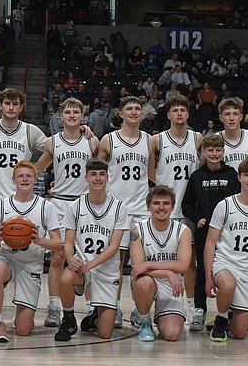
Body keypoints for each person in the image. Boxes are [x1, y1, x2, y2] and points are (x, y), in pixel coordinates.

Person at [0, 88, 47, 323]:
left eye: (15, 104)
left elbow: (53, 147)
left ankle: (25, 296)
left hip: (23, 198)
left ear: (21, 107)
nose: (11, 107)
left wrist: (36, 170)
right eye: (7, 103)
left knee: (27, 248)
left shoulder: (30, 130)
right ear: (0, 106)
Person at [35, 98, 99, 327]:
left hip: (85, 205)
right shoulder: (52, 143)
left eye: (76, 112)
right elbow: (38, 169)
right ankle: (53, 306)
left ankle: (93, 308)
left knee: (91, 257)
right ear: (60, 117)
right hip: (60, 203)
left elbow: (101, 172)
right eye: (68, 112)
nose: (72, 115)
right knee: (58, 257)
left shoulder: (92, 142)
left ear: (82, 116)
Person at [0, 161, 61, 342]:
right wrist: (2, 235)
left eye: (28, 176)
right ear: (13, 180)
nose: (24, 179)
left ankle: (21, 317)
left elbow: (58, 244)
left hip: (31, 264)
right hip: (7, 259)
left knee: (24, 330)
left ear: (35, 179)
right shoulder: (1, 206)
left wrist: (39, 240)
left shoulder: (46, 206)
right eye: (20, 176)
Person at [54, 158, 128, 342]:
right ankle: (69, 319)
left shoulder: (119, 208)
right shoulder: (75, 206)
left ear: (108, 177)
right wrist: (70, 259)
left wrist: (90, 265)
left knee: (105, 334)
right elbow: (68, 243)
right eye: (93, 174)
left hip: (106, 271)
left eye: (102, 174)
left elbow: (114, 247)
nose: (98, 178)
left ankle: (95, 317)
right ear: (86, 177)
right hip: (82, 268)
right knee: (66, 276)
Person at [204, 158, 248, 341]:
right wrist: (207, 277)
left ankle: (226, 312)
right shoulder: (225, 205)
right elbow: (210, 242)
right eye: (246, 175)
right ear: (239, 177)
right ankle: (221, 319)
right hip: (224, 263)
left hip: (247, 272)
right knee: (227, 285)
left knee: (240, 333)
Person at [97, 95, 151, 328]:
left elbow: (152, 174)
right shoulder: (108, 140)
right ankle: (115, 307)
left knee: (141, 264)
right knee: (115, 264)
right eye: (129, 108)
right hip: (116, 209)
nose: (134, 112)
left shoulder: (151, 141)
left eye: (138, 108)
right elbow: (96, 172)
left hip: (141, 209)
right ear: (120, 113)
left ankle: (140, 311)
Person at [148, 95, 201, 327]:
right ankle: (150, 307)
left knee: (190, 264)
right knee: (156, 258)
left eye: (183, 109)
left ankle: (189, 307)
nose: (179, 113)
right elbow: (151, 172)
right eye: (175, 110)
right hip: (165, 209)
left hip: (187, 210)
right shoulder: (157, 140)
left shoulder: (197, 138)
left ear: (188, 114)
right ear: (168, 115)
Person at [180, 134, 240, 331]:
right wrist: (198, 218)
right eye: (210, 150)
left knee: (230, 271)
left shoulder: (232, 175)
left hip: (228, 233)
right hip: (205, 233)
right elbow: (186, 205)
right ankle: (199, 309)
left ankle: (231, 310)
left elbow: (239, 202)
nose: (214, 154)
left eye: (217, 150)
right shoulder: (197, 176)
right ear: (203, 153)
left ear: (223, 152)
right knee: (202, 273)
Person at [129, 185, 192, 342]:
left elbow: (183, 265)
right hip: (149, 279)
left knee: (172, 335)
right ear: (148, 206)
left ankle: (161, 314)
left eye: (166, 203)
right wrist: (168, 272)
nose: (161, 207)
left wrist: (149, 265)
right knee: (143, 282)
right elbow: (138, 269)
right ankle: (144, 320)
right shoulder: (138, 229)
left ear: (172, 206)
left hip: (172, 285)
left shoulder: (183, 230)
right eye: (156, 203)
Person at [218, 98, 248, 171]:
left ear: (241, 117)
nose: (231, 118)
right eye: (227, 114)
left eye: (235, 114)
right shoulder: (215, 138)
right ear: (221, 118)